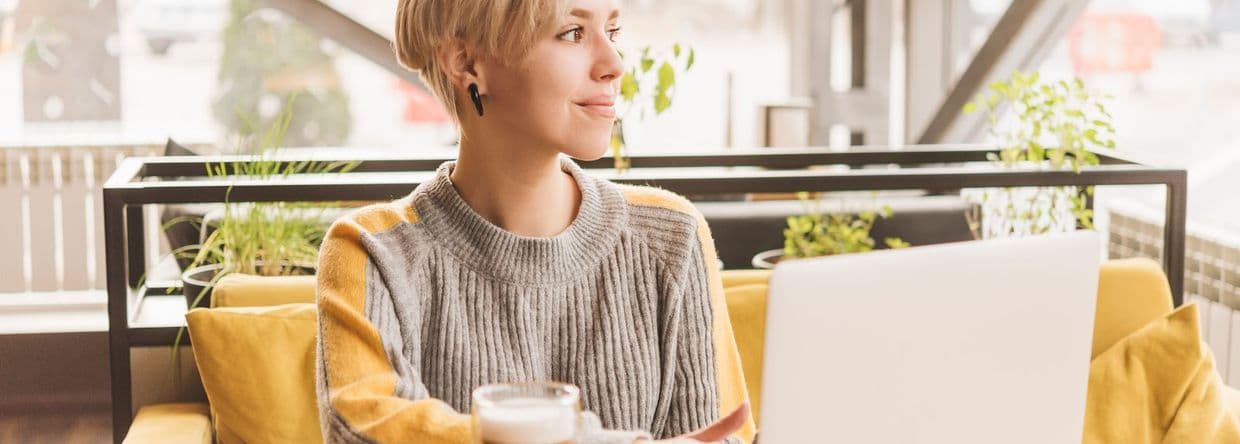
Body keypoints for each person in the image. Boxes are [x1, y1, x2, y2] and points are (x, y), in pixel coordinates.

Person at [314, 0, 755, 442]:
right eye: (572, 34)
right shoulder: (371, 252)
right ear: (467, 63)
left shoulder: (672, 237)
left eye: (613, 32)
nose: (614, 65)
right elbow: (362, 429)